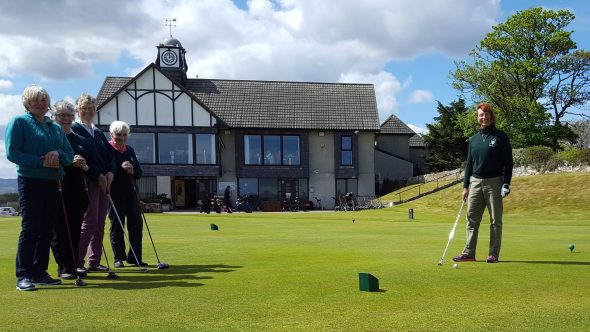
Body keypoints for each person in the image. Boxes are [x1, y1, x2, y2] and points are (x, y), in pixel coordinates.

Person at [5, 85, 74, 291]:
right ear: (27, 102)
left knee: (46, 229)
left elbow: (68, 155)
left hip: (53, 181)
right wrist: (40, 161)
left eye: (44, 99)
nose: (40, 103)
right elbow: (12, 153)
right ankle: (23, 275)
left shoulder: (54, 127)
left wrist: (57, 154)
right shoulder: (19, 122)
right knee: (31, 228)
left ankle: (40, 271)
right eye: (35, 99)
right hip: (30, 180)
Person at [453, 102, 513, 263]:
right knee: (471, 219)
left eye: (486, 114)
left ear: (491, 116)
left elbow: (509, 162)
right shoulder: (474, 140)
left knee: (495, 220)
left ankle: (493, 254)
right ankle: (469, 253)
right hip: (475, 182)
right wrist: (465, 186)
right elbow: (469, 165)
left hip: (494, 181)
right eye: (481, 114)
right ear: (477, 117)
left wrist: (506, 183)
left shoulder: (500, 136)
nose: (484, 117)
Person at [71, 93, 115, 273]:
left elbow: (109, 155)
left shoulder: (97, 131)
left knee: (100, 223)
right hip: (88, 180)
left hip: (104, 181)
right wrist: (98, 174)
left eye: (91, 108)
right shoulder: (75, 129)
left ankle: (94, 261)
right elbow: (86, 156)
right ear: (77, 110)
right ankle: (77, 262)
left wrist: (110, 173)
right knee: (89, 222)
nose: (88, 111)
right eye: (84, 108)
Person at [50, 101, 90, 281]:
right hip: (58, 187)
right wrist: (69, 161)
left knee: (75, 229)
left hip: (78, 189)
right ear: (54, 117)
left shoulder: (80, 139)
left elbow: (88, 164)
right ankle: (64, 267)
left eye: (69, 116)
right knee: (60, 229)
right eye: (61, 116)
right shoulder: (51, 137)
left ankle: (74, 264)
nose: (66, 119)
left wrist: (84, 164)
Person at [107, 121, 146, 268]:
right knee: (117, 225)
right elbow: (106, 169)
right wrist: (119, 168)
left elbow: (139, 172)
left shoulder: (129, 150)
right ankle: (119, 258)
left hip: (132, 192)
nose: (121, 138)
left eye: (124, 135)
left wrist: (132, 171)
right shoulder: (107, 149)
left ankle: (135, 257)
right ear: (112, 134)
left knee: (136, 224)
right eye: (118, 135)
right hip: (115, 192)